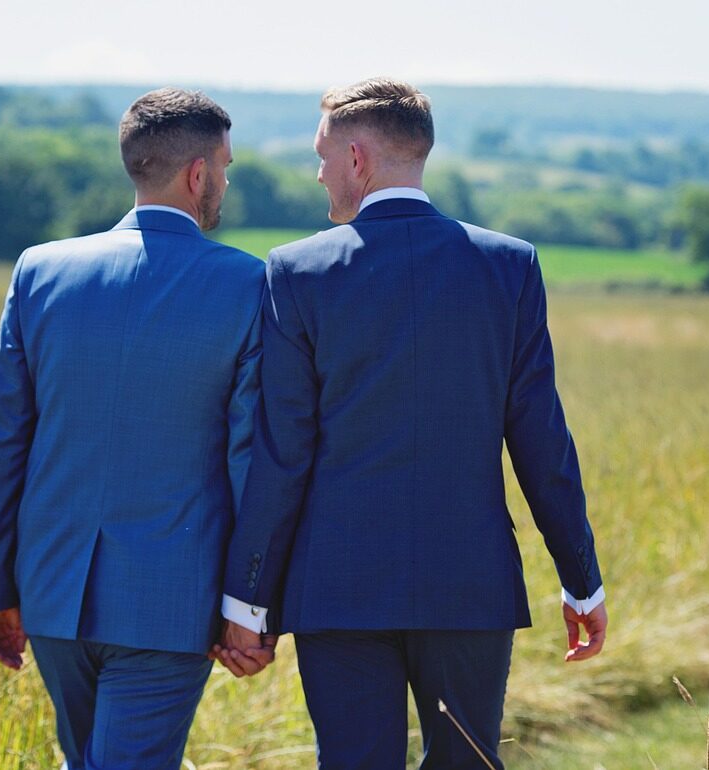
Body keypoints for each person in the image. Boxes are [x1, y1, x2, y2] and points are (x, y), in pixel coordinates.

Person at [215, 78, 608, 769]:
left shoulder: (296, 272)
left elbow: (282, 455)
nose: (318, 173)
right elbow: (542, 442)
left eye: (323, 155)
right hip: (470, 581)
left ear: (358, 160)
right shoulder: (509, 266)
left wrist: (248, 601)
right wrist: (581, 580)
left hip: (336, 586)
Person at [0, 87, 272, 770]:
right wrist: (249, 607)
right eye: (223, 166)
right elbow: (251, 456)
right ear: (199, 174)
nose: (223, 180)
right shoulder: (250, 284)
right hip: (172, 601)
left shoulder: (40, 270)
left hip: (49, 591)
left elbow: (3, 439)